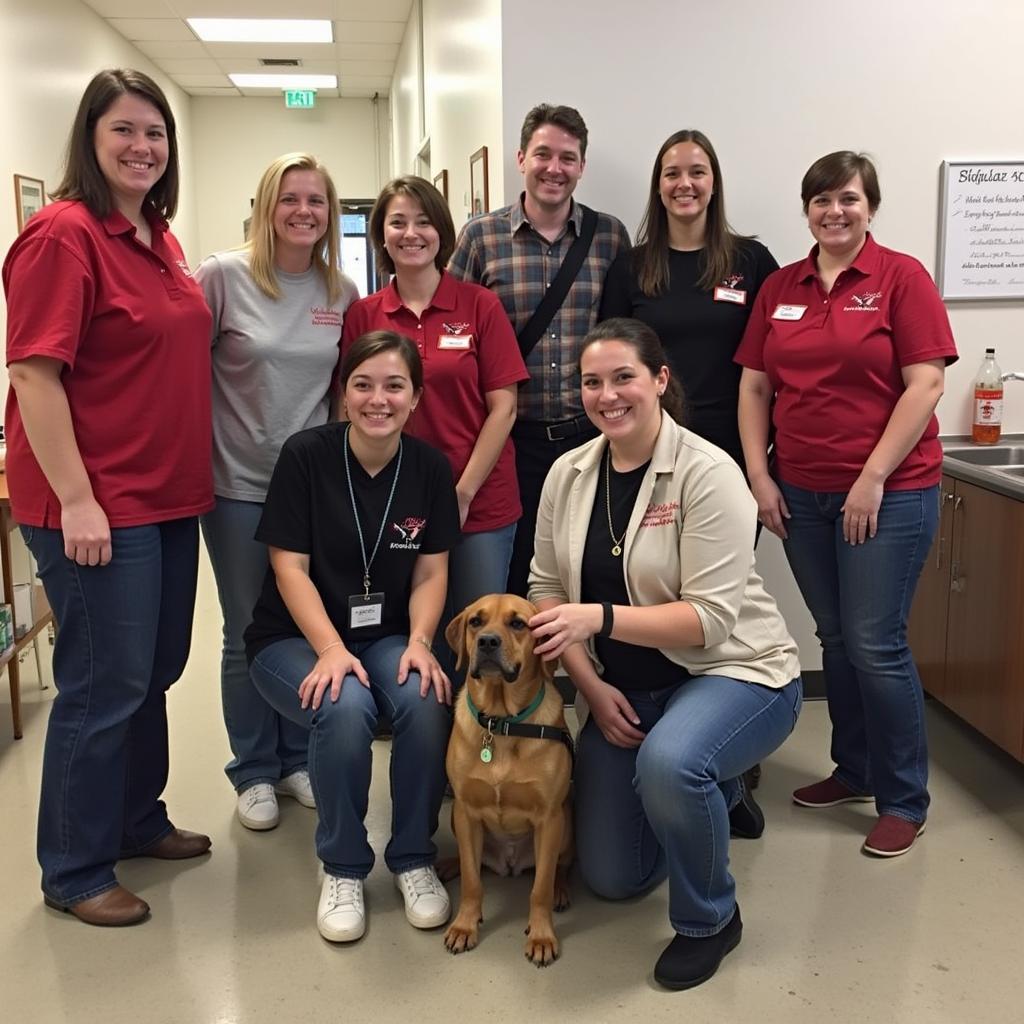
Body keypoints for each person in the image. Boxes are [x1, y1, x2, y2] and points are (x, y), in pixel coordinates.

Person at [528, 318, 801, 989]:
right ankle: (719, 788)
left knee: (673, 762)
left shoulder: (708, 472)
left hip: (735, 672)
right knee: (613, 879)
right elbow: (543, 589)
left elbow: (708, 623)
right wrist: (588, 687)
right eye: (592, 382)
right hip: (626, 689)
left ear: (659, 380)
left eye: (624, 377)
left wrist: (600, 617)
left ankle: (710, 918)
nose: (607, 395)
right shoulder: (568, 473)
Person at [3, 68, 213, 927]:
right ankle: (76, 868)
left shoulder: (155, 236)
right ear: (90, 137)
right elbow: (33, 375)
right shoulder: (64, 234)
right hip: (99, 505)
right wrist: (78, 499)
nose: (142, 148)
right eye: (124, 130)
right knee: (101, 683)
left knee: (153, 673)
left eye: (156, 134)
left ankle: (136, 820)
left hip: (167, 497)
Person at [735, 151, 957, 858]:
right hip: (799, 490)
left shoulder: (900, 278)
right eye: (822, 200)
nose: (835, 211)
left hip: (890, 492)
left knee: (875, 643)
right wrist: (758, 477)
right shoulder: (781, 285)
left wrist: (871, 477)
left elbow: (924, 385)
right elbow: (755, 388)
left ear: (871, 207)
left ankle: (903, 797)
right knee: (834, 638)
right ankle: (854, 768)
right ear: (807, 209)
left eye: (849, 199)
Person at [244, 330, 460, 943]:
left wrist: (420, 641)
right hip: (293, 638)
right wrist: (331, 649)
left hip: (390, 633)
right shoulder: (306, 456)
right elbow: (289, 567)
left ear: (415, 397)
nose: (377, 400)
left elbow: (431, 570)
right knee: (342, 706)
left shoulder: (429, 468)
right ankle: (342, 865)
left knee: (422, 696)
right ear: (343, 394)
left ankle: (414, 856)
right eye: (362, 385)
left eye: (394, 385)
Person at [195, 153, 360, 831]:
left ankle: (296, 759)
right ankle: (254, 768)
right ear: (267, 206)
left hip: (309, 493)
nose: (303, 212)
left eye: (316, 201)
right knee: (245, 631)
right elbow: (183, 375)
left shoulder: (339, 292)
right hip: (235, 484)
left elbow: (344, 393)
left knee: (299, 623)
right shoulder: (222, 277)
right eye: (290, 199)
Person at [449, 103, 631, 597]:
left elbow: (623, 335)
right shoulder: (480, 238)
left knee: (591, 566)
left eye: (568, 158)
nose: (555, 168)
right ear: (521, 158)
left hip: (590, 437)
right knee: (517, 572)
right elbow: (452, 331)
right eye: (544, 154)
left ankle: (584, 671)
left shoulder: (610, 236)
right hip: (511, 441)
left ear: (582, 167)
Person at [342, 177, 527, 659]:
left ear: (442, 232)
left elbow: (503, 406)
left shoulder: (479, 305)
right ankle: (422, 732)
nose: (411, 233)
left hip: (479, 500)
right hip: (392, 503)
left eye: (423, 222)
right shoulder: (364, 314)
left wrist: (461, 494)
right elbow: (352, 406)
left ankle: (477, 735)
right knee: (413, 636)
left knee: (479, 639)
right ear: (381, 234)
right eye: (398, 222)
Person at [599, 129, 778, 472]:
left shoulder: (752, 261)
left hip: (735, 445)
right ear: (658, 186)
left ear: (715, 184)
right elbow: (612, 362)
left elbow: (781, 349)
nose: (685, 184)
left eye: (697, 172)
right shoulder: (629, 268)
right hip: (650, 442)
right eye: (672, 174)